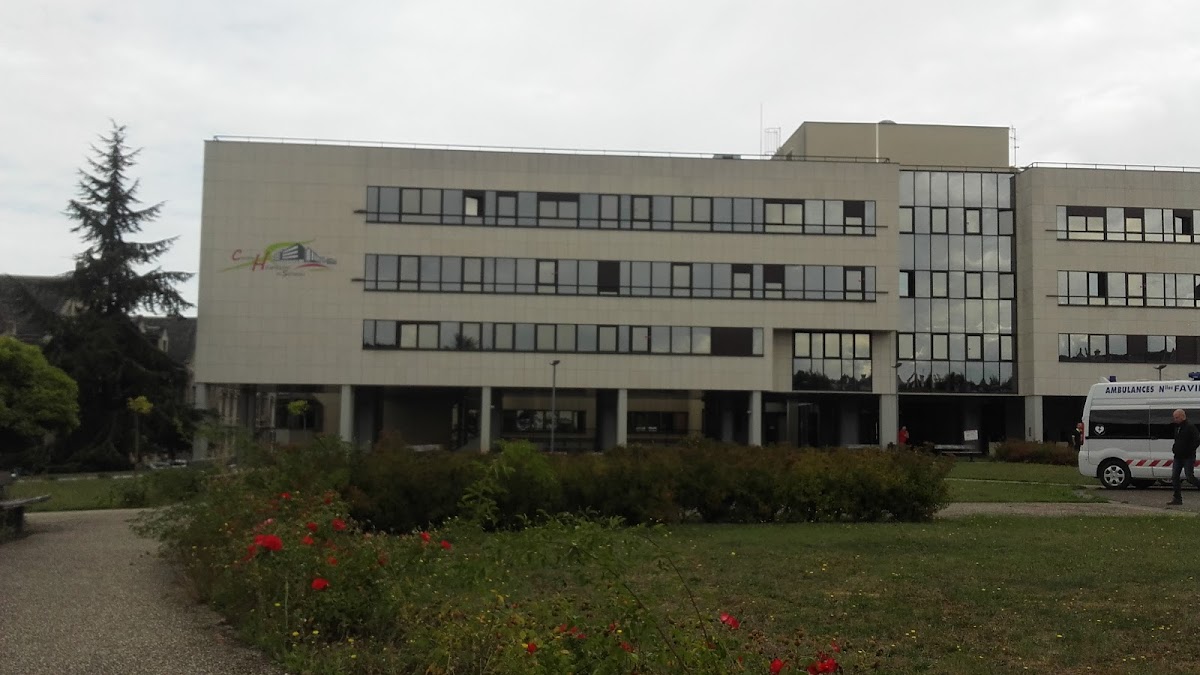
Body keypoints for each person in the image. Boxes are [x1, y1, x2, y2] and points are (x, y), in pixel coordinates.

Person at [1168, 409, 1200, 506]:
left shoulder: (1190, 427)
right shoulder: (1177, 428)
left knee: (1189, 476)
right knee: (1175, 477)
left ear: (1182, 416)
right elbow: (1177, 440)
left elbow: (1197, 440)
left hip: (1188, 457)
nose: (1175, 419)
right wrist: (1175, 448)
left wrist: (1190, 450)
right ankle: (1177, 498)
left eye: (1176, 417)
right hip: (1178, 456)